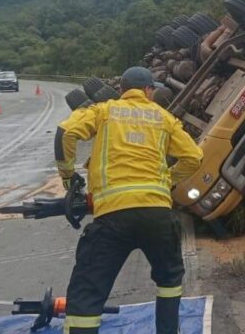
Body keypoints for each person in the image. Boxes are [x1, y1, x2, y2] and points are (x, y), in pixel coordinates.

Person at [54, 66, 204, 334]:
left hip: (112, 215)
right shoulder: (163, 117)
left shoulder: (104, 111)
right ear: (149, 91)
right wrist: (166, 180)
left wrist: (68, 178)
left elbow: (65, 133)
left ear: (122, 90)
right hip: (157, 214)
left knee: (88, 291)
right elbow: (194, 157)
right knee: (169, 279)